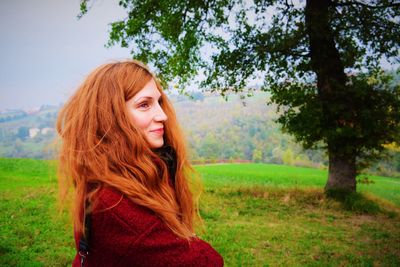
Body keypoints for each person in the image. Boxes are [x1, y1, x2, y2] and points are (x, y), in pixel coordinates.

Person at [57, 60, 224, 266]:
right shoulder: (114, 204)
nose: (162, 115)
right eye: (144, 105)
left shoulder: (131, 172)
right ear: (111, 117)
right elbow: (205, 262)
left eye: (159, 102)